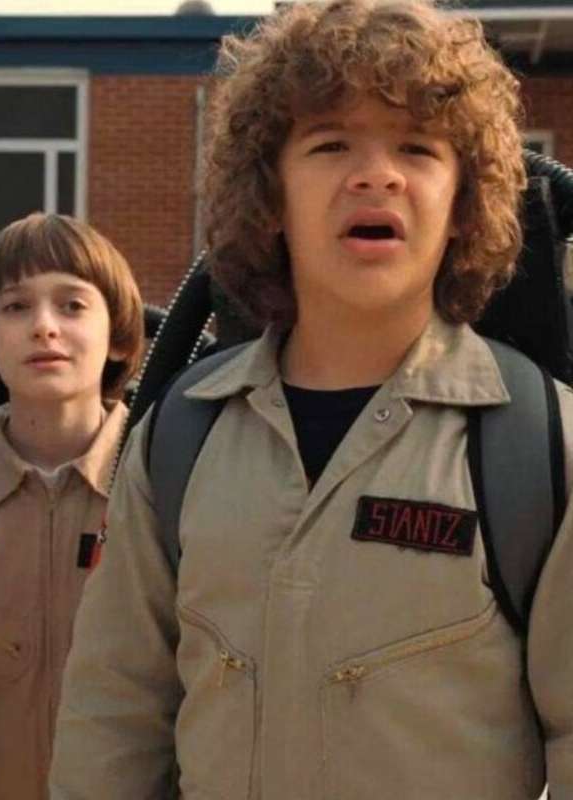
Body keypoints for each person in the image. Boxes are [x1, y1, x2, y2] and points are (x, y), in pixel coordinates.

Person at [50, 1, 573, 797]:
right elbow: (111, 722)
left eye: (417, 147)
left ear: (464, 203)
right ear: (270, 196)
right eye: (331, 145)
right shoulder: (180, 438)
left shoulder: (540, 448)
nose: (376, 174)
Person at [0, 212, 143, 800]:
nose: (44, 327)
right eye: (16, 307)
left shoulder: (172, 486)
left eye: (72, 305)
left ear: (119, 334)